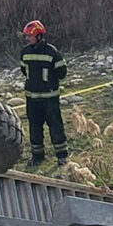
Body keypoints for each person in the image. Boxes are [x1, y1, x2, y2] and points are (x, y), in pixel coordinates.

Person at [20, 20, 68, 166]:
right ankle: (37, 156)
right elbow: (24, 70)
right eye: (26, 36)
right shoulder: (25, 53)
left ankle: (61, 156)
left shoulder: (52, 52)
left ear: (39, 36)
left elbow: (62, 72)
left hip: (50, 98)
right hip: (32, 98)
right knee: (34, 128)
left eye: (30, 36)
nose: (27, 39)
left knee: (55, 126)